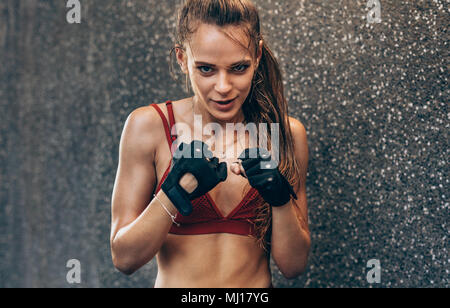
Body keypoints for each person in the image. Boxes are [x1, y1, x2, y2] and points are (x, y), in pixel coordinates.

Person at [110, 0, 310, 288]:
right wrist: (174, 192)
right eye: (206, 69)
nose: (224, 86)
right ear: (182, 59)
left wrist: (279, 199)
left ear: (256, 56)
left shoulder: (283, 133)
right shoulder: (149, 126)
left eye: (238, 67)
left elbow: (294, 266)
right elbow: (124, 258)